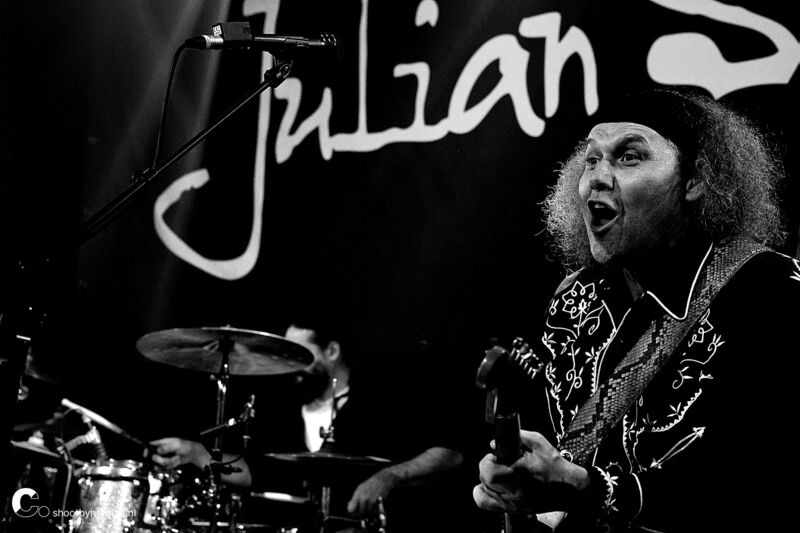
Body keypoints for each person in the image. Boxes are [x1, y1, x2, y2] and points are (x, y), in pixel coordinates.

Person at [472, 87, 800, 532]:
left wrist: (589, 491)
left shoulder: (768, 291)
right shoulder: (572, 299)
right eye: (591, 159)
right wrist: (515, 485)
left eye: (629, 157)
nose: (596, 178)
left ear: (695, 180)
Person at [151, 308, 466, 532]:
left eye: (300, 352)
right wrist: (195, 452)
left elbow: (450, 454)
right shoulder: (284, 410)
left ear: (332, 350)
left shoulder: (383, 399)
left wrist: (388, 477)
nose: (291, 363)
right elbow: (256, 472)